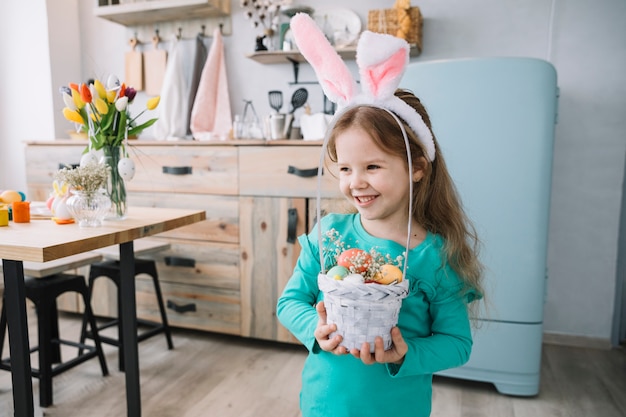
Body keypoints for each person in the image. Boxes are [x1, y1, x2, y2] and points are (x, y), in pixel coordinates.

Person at [276, 13, 484, 417]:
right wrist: (314, 332)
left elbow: (457, 342)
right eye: (346, 169)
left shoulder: (433, 255)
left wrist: (405, 352)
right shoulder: (329, 234)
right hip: (324, 405)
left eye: (372, 167)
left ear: (417, 167)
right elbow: (290, 301)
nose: (356, 182)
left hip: (397, 408)